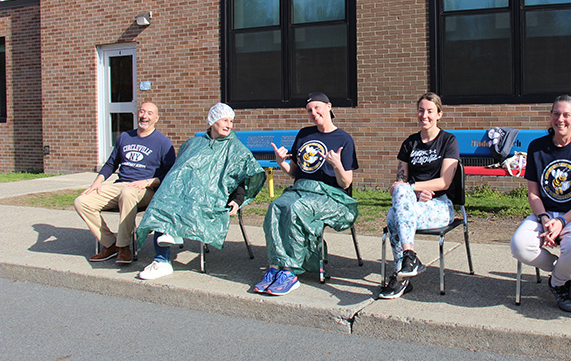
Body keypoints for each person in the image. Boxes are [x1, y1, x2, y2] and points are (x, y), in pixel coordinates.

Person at [134, 103, 266, 280]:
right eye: (225, 120)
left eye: (231, 121)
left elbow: (242, 176)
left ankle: (172, 236)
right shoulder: (193, 143)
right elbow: (177, 169)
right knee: (164, 198)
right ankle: (162, 260)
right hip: (183, 191)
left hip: (212, 196)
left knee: (189, 196)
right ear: (213, 121)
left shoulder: (235, 148)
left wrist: (238, 199)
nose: (229, 125)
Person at [253, 92, 359, 296]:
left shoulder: (343, 139)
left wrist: (337, 164)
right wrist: (280, 161)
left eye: (317, 107)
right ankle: (276, 265)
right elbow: (294, 172)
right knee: (275, 207)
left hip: (331, 196)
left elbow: (346, 182)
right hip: (302, 189)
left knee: (295, 209)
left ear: (329, 107)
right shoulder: (304, 134)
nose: (313, 113)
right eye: (309, 110)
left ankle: (290, 271)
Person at [510, 95, 571, 312]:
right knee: (519, 245)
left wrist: (562, 221)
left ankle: (556, 282)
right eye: (556, 113)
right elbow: (533, 194)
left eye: (566, 115)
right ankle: (567, 273)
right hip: (545, 215)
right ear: (551, 116)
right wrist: (545, 218)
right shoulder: (537, 147)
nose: (560, 119)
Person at [379, 92, 460, 299]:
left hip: (440, 205)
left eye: (430, 111)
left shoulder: (448, 141)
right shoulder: (409, 143)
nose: (425, 115)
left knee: (393, 216)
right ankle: (408, 260)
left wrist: (412, 188)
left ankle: (402, 274)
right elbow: (399, 182)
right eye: (421, 110)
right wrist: (410, 192)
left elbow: (445, 181)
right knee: (395, 206)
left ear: (439, 114)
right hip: (414, 205)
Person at [74, 102, 176, 264]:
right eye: (142, 112)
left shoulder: (163, 142)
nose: (145, 116)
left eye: (150, 113)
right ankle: (109, 244)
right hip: (121, 185)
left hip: (146, 190)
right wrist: (97, 182)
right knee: (82, 201)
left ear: (156, 118)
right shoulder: (125, 137)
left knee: (127, 193)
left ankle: (124, 247)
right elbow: (111, 164)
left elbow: (170, 175)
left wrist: (147, 182)